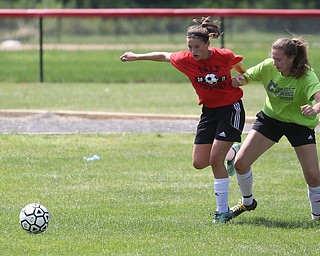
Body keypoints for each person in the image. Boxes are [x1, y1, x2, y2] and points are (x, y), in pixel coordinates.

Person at [120, 17, 246, 223]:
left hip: (231, 110)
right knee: (199, 162)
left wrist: (243, 78)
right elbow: (163, 55)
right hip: (209, 112)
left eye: (197, 46)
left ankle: (222, 212)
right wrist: (137, 56)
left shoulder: (224, 55)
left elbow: (242, 68)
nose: (193, 50)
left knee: (215, 160)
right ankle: (232, 152)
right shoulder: (184, 59)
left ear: (208, 44)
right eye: (190, 46)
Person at [230, 37, 320, 221]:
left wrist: (314, 109)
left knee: (313, 176)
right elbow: (248, 76)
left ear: (291, 58)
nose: (275, 62)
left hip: (300, 124)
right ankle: (248, 202)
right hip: (271, 119)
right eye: (273, 58)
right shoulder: (268, 66)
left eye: (279, 59)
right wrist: (239, 80)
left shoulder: (307, 75)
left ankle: (317, 217)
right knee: (240, 163)